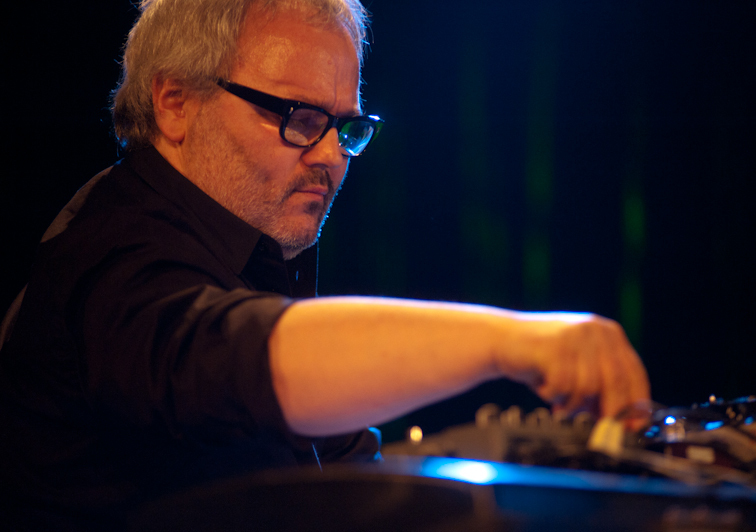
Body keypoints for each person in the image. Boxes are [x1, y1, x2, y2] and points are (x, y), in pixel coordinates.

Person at [0, 0, 650, 528]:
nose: (331, 157)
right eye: (300, 118)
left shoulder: (250, 256)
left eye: (345, 128)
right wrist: (511, 341)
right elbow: (232, 357)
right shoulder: (110, 256)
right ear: (175, 102)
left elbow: (340, 478)